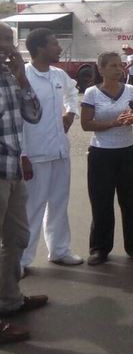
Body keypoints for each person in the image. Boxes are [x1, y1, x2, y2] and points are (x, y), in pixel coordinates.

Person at [21, 28, 83, 273]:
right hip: (34, 154)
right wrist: (22, 154)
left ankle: (59, 250)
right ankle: (22, 260)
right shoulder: (23, 76)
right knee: (32, 208)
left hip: (60, 151)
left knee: (59, 203)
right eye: (54, 44)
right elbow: (18, 119)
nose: (59, 48)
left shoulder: (58, 75)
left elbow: (72, 92)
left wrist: (70, 112)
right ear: (39, 49)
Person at [0, 22, 45, 344]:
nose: (10, 46)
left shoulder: (10, 76)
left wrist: (22, 78)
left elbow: (34, 114)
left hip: (12, 170)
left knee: (16, 237)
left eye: (11, 41)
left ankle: (10, 299)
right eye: (4, 40)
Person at [80, 52, 133, 265]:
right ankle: (100, 248)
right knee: (101, 202)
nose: (119, 69)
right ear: (101, 70)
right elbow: (86, 124)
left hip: (128, 152)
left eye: (120, 65)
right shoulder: (91, 93)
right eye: (112, 66)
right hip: (102, 154)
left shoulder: (129, 90)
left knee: (132, 201)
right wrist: (113, 124)